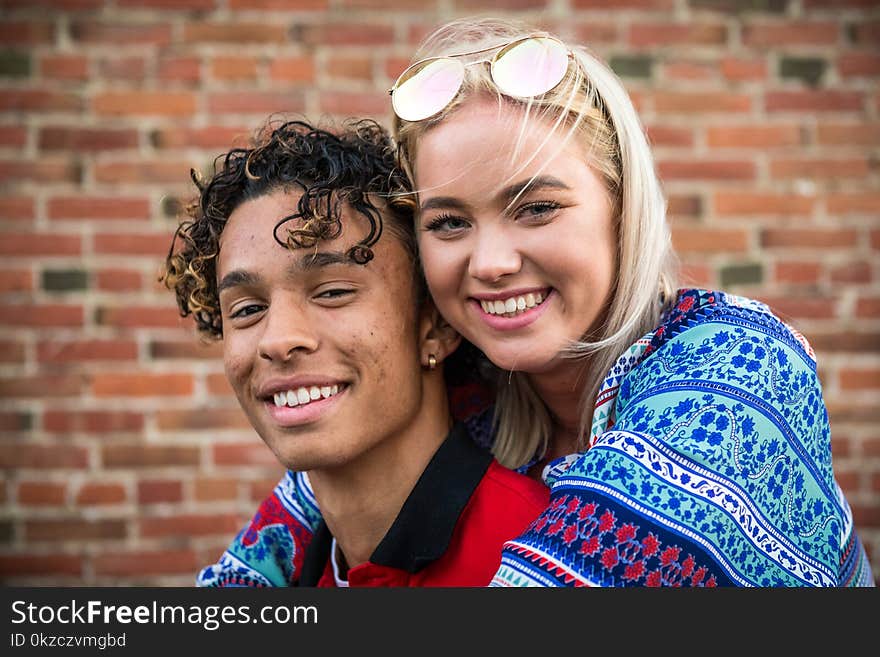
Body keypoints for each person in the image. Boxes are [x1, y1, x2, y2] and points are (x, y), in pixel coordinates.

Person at [206, 17, 876, 587]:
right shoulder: (476, 394)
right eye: (449, 222)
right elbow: (266, 551)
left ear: (621, 208)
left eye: (538, 208)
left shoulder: (734, 367)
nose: (491, 263)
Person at [163, 118, 548, 587]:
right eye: (246, 309)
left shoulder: (541, 553)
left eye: (332, 292)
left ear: (435, 327)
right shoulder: (293, 567)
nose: (277, 340)